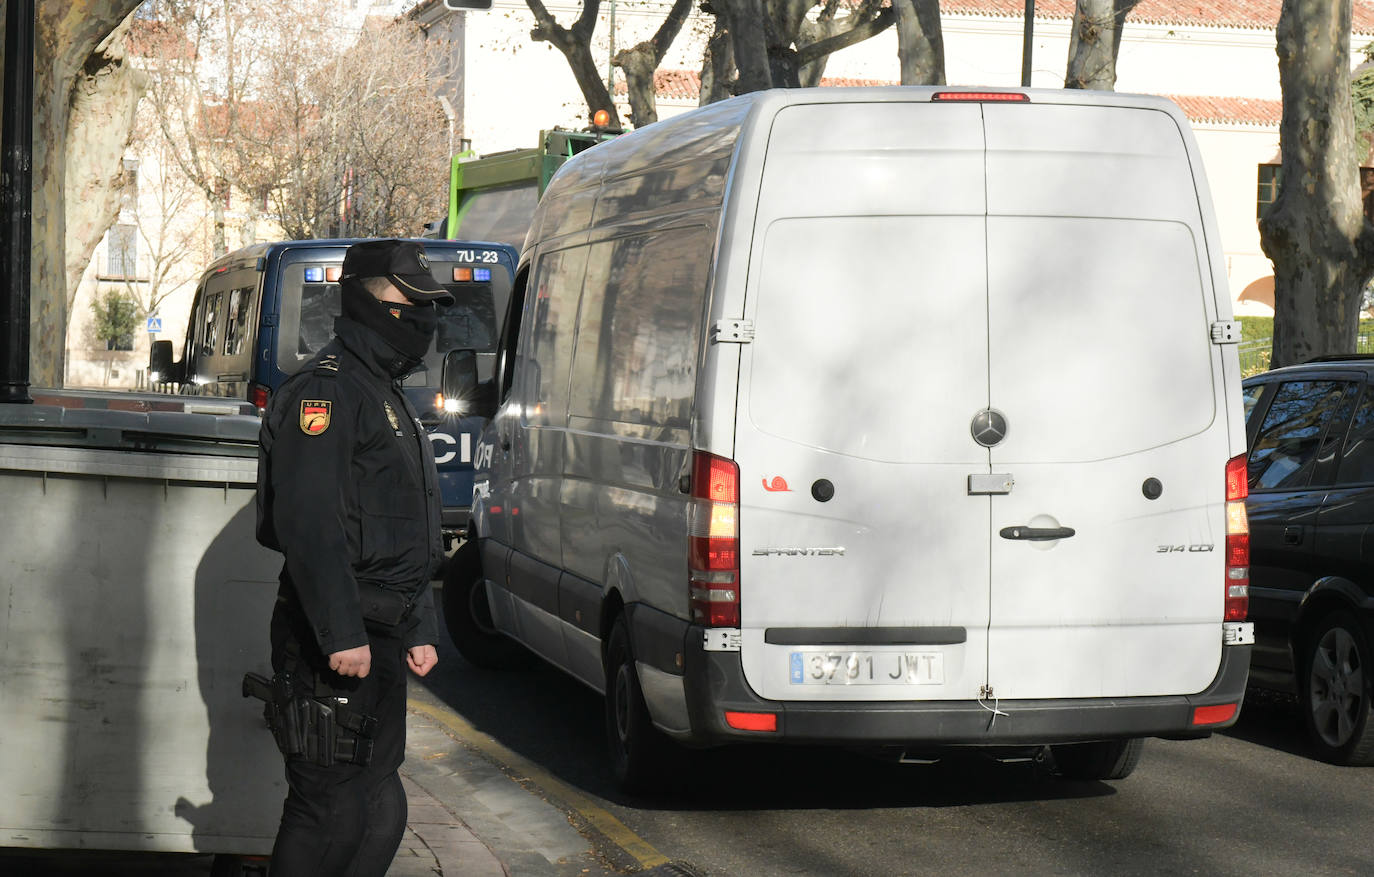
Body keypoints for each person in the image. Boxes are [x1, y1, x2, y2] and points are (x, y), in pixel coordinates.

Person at [254, 238, 452, 876]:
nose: (421, 317)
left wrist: (419, 624)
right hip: (335, 642)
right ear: (364, 300)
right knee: (329, 811)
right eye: (407, 302)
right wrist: (340, 630)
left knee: (379, 807)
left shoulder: (384, 391)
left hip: (382, 635)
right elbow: (308, 523)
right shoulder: (328, 392)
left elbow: (407, 527)